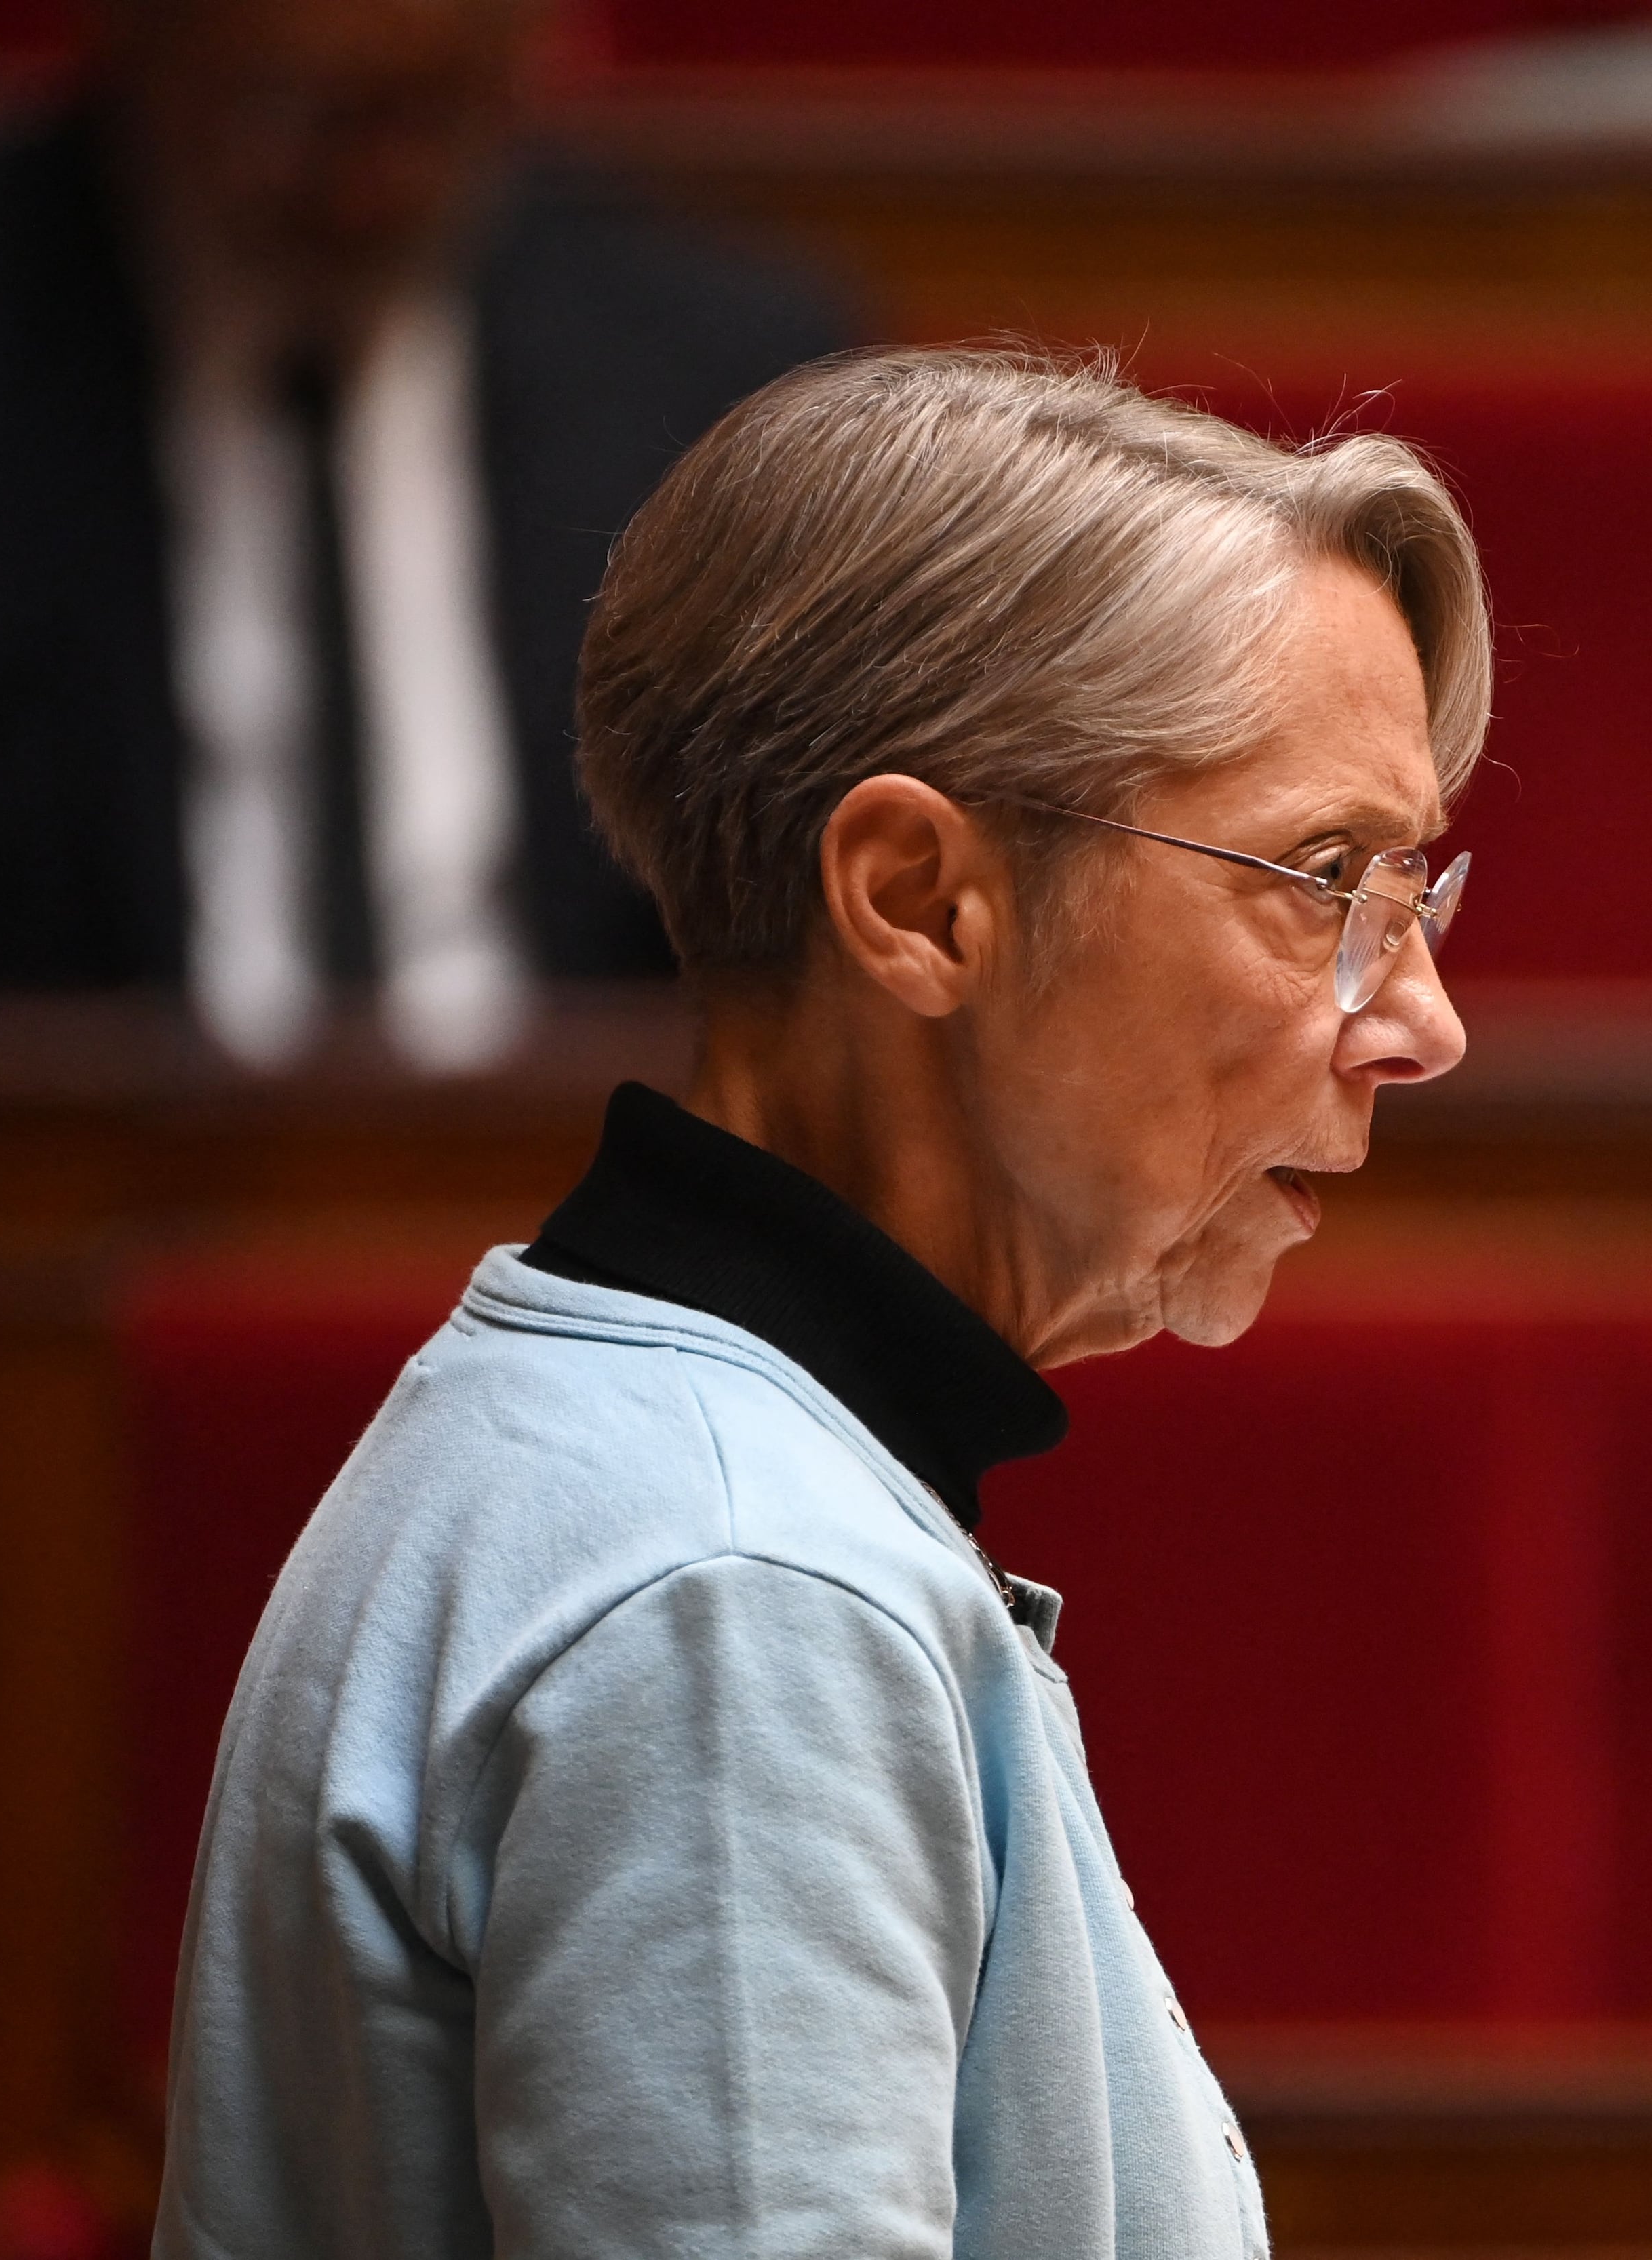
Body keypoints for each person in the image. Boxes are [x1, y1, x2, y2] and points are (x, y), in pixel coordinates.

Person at [149, 350, 1484, 2255]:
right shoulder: (735, 1587)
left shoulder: (647, 1449)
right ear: (921, 900)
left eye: (1420, 889)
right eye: (1323, 876)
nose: (1422, 1019)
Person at [0, 0, 845, 1069]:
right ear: (134, 40)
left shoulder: (722, 379)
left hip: (575, 1189)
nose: (366, 183)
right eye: (293, 112)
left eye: (430, 111)